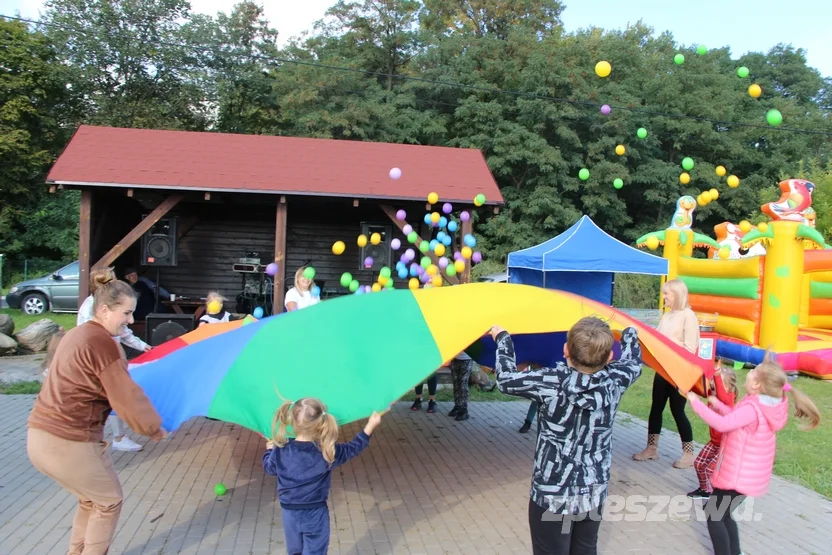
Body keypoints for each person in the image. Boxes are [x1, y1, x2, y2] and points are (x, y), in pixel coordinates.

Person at [27, 279, 167, 555]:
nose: (131, 320)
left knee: (90, 500)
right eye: (126, 313)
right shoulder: (102, 342)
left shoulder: (78, 335)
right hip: (69, 442)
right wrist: (153, 427)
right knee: (109, 502)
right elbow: (125, 394)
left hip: (39, 437)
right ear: (104, 310)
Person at [490, 318, 642, 554]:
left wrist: (503, 340)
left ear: (565, 350)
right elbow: (634, 362)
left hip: (552, 495)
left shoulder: (551, 382)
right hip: (592, 492)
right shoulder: (615, 381)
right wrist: (630, 332)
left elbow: (505, 379)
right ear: (610, 357)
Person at [686, 354, 820, 555]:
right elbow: (734, 417)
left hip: (737, 477)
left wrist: (695, 403)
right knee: (723, 514)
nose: (747, 374)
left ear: (757, 385)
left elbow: (723, 424)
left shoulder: (752, 407)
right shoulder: (764, 404)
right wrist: (717, 403)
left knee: (714, 515)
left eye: (752, 372)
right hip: (748, 477)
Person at [262, 398, 383, 554]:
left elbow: (269, 468)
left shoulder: (281, 449)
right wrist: (369, 427)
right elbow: (353, 447)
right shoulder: (327, 451)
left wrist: (269, 451)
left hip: (289, 513)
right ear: (320, 424)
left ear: (292, 422)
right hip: (315, 514)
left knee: (294, 551)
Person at [78, 267, 152, 452]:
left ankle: (117, 437)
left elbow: (124, 330)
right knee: (100, 400)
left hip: (111, 359)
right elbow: (84, 334)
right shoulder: (90, 306)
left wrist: (142, 346)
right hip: (98, 362)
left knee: (113, 398)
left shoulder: (111, 303)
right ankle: (94, 439)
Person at [633, 278, 699, 468]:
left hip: (679, 372)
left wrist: (668, 349)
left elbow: (689, 347)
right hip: (663, 370)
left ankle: (688, 453)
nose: (664, 297)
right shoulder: (667, 316)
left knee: (677, 411)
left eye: (667, 294)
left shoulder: (689, 316)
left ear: (677, 294)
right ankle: (651, 448)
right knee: (656, 407)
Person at [688, 363, 738, 499]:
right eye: (714, 383)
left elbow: (721, 394)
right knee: (699, 464)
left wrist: (717, 375)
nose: (714, 385)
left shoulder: (728, 399)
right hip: (715, 442)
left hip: (726, 445)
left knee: (711, 469)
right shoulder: (712, 395)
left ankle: (719, 494)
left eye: (719, 383)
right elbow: (701, 386)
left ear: (727, 387)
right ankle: (705, 490)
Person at [448, 351, 474, 421]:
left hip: (467, 359)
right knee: (456, 383)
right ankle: (457, 406)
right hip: (455, 359)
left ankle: (464, 410)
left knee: (463, 384)